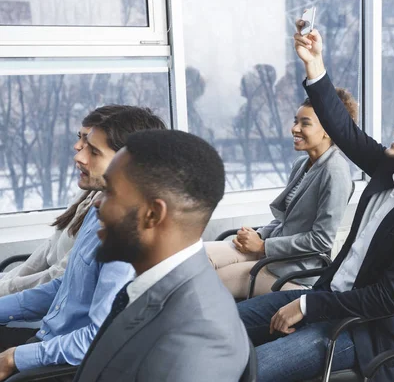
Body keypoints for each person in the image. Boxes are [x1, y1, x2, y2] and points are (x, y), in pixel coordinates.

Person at [235, 21, 394, 382]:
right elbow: (343, 129)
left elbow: (385, 299)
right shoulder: (387, 167)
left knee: (250, 370)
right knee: (222, 327)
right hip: (325, 299)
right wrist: (314, 65)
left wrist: (306, 305)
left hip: (362, 331)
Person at [0, 105, 166, 380]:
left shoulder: (129, 238)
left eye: (93, 150)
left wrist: (14, 358)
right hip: (45, 343)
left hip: (65, 366)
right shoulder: (98, 208)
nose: (78, 154)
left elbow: (98, 339)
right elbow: (62, 289)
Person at [74, 130, 250, 382]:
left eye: (110, 192)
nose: (96, 203)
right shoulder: (149, 285)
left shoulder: (196, 340)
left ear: (153, 215)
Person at [204, 89, 357, 298]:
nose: (295, 128)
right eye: (296, 121)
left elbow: (322, 240)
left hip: (293, 270)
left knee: (208, 283)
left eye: (305, 123)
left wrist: (264, 246)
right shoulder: (302, 164)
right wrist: (257, 236)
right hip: (269, 254)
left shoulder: (335, 171)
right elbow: (285, 219)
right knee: (197, 259)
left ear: (328, 130)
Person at [0, 113, 108, 297]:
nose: (77, 148)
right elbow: (50, 246)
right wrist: (5, 281)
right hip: (38, 297)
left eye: (91, 146)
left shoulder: (108, 212)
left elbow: (59, 279)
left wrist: (5, 289)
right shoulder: (88, 191)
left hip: (45, 299)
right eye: (80, 138)